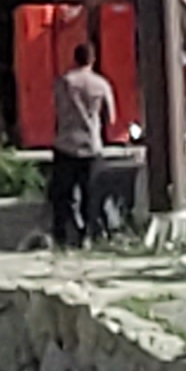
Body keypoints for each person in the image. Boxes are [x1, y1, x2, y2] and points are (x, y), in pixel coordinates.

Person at [50, 20, 118, 249]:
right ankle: (89, 235)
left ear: (75, 58)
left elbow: (55, 107)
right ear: (93, 60)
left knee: (62, 195)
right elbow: (111, 117)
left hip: (66, 143)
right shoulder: (102, 84)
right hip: (91, 145)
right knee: (91, 194)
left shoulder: (64, 82)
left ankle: (62, 235)